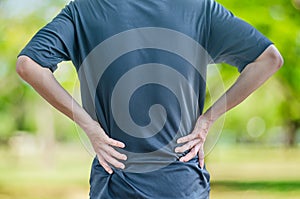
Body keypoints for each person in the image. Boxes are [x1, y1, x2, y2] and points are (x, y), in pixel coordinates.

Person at [16, 0, 283, 198]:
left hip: (115, 182)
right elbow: (268, 59)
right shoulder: (199, 8)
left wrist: (90, 127)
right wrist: (207, 119)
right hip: (181, 183)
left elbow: (28, 64)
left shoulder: (84, 10)